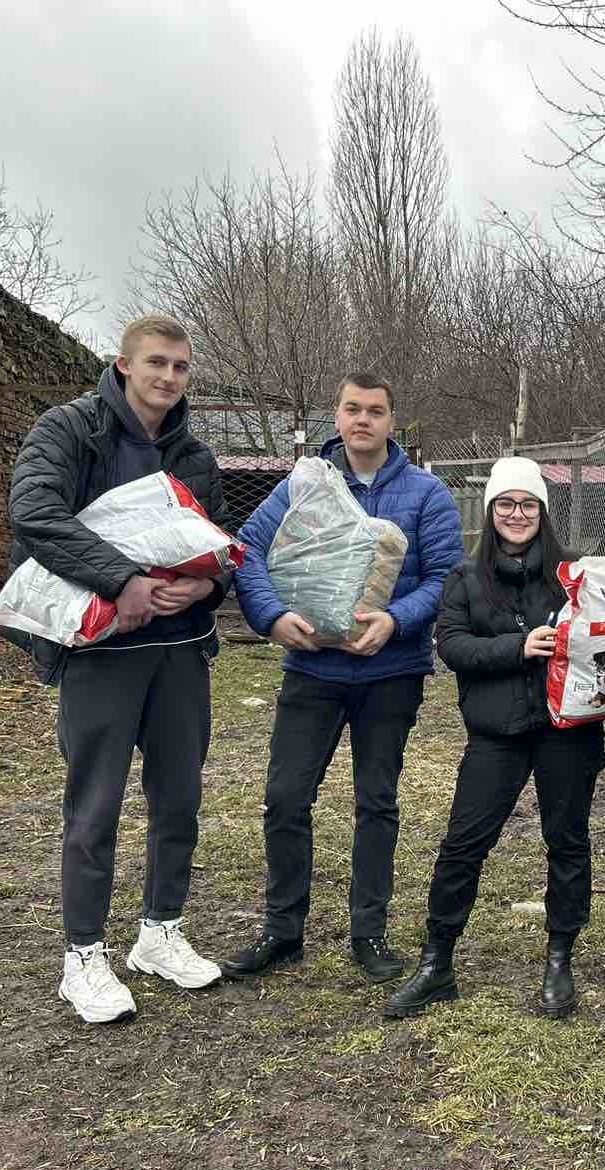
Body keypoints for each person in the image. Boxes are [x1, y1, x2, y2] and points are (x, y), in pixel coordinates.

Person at [5, 314, 228, 1023]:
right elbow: (34, 512)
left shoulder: (194, 455)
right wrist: (121, 579)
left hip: (179, 652)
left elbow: (219, 545)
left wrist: (205, 586)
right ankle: (83, 957)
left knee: (179, 801)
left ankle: (160, 932)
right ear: (124, 365)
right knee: (95, 806)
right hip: (100, 654)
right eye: (156, 362)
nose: (169, 377)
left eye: (180, 367)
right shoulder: (69, 431)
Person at [383, 457, 605, 1019]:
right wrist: (517, 647)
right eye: (505, 504)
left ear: (542, 511)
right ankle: (437, 961)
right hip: (497, 732)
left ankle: (560, 958)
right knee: (464, 843)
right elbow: (451, 645)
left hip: (568, 731)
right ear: (491, 511)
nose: (516, 513)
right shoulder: (465, 577)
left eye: (528, 504)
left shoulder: (578, 571)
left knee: (567, 841)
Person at [222, 372, 463, 984]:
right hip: (313, 668)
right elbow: (248, 552)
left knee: (376, 801)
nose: (363, 420)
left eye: (375, 411)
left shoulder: (425, 494)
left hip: (391, 672)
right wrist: (272, 617)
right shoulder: (305, 486)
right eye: (353, 409)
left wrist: (395, 619)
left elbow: (446, 577)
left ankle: (369, 932)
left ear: (391, 421)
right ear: (337, 417)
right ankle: (283, 930)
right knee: (285, 798)